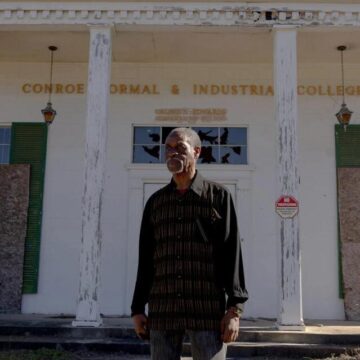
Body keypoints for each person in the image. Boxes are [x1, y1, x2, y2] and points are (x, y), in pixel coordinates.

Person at [131, 127, 248, 360]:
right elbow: (146, 259)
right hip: (163, 309)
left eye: (180, 148)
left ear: (196, 152)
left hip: (206, 309)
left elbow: (231, 254)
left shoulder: (218, 197)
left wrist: (234, 310)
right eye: (168, 148)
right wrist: (137, 308)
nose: (173, 153)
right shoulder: (156, 203)